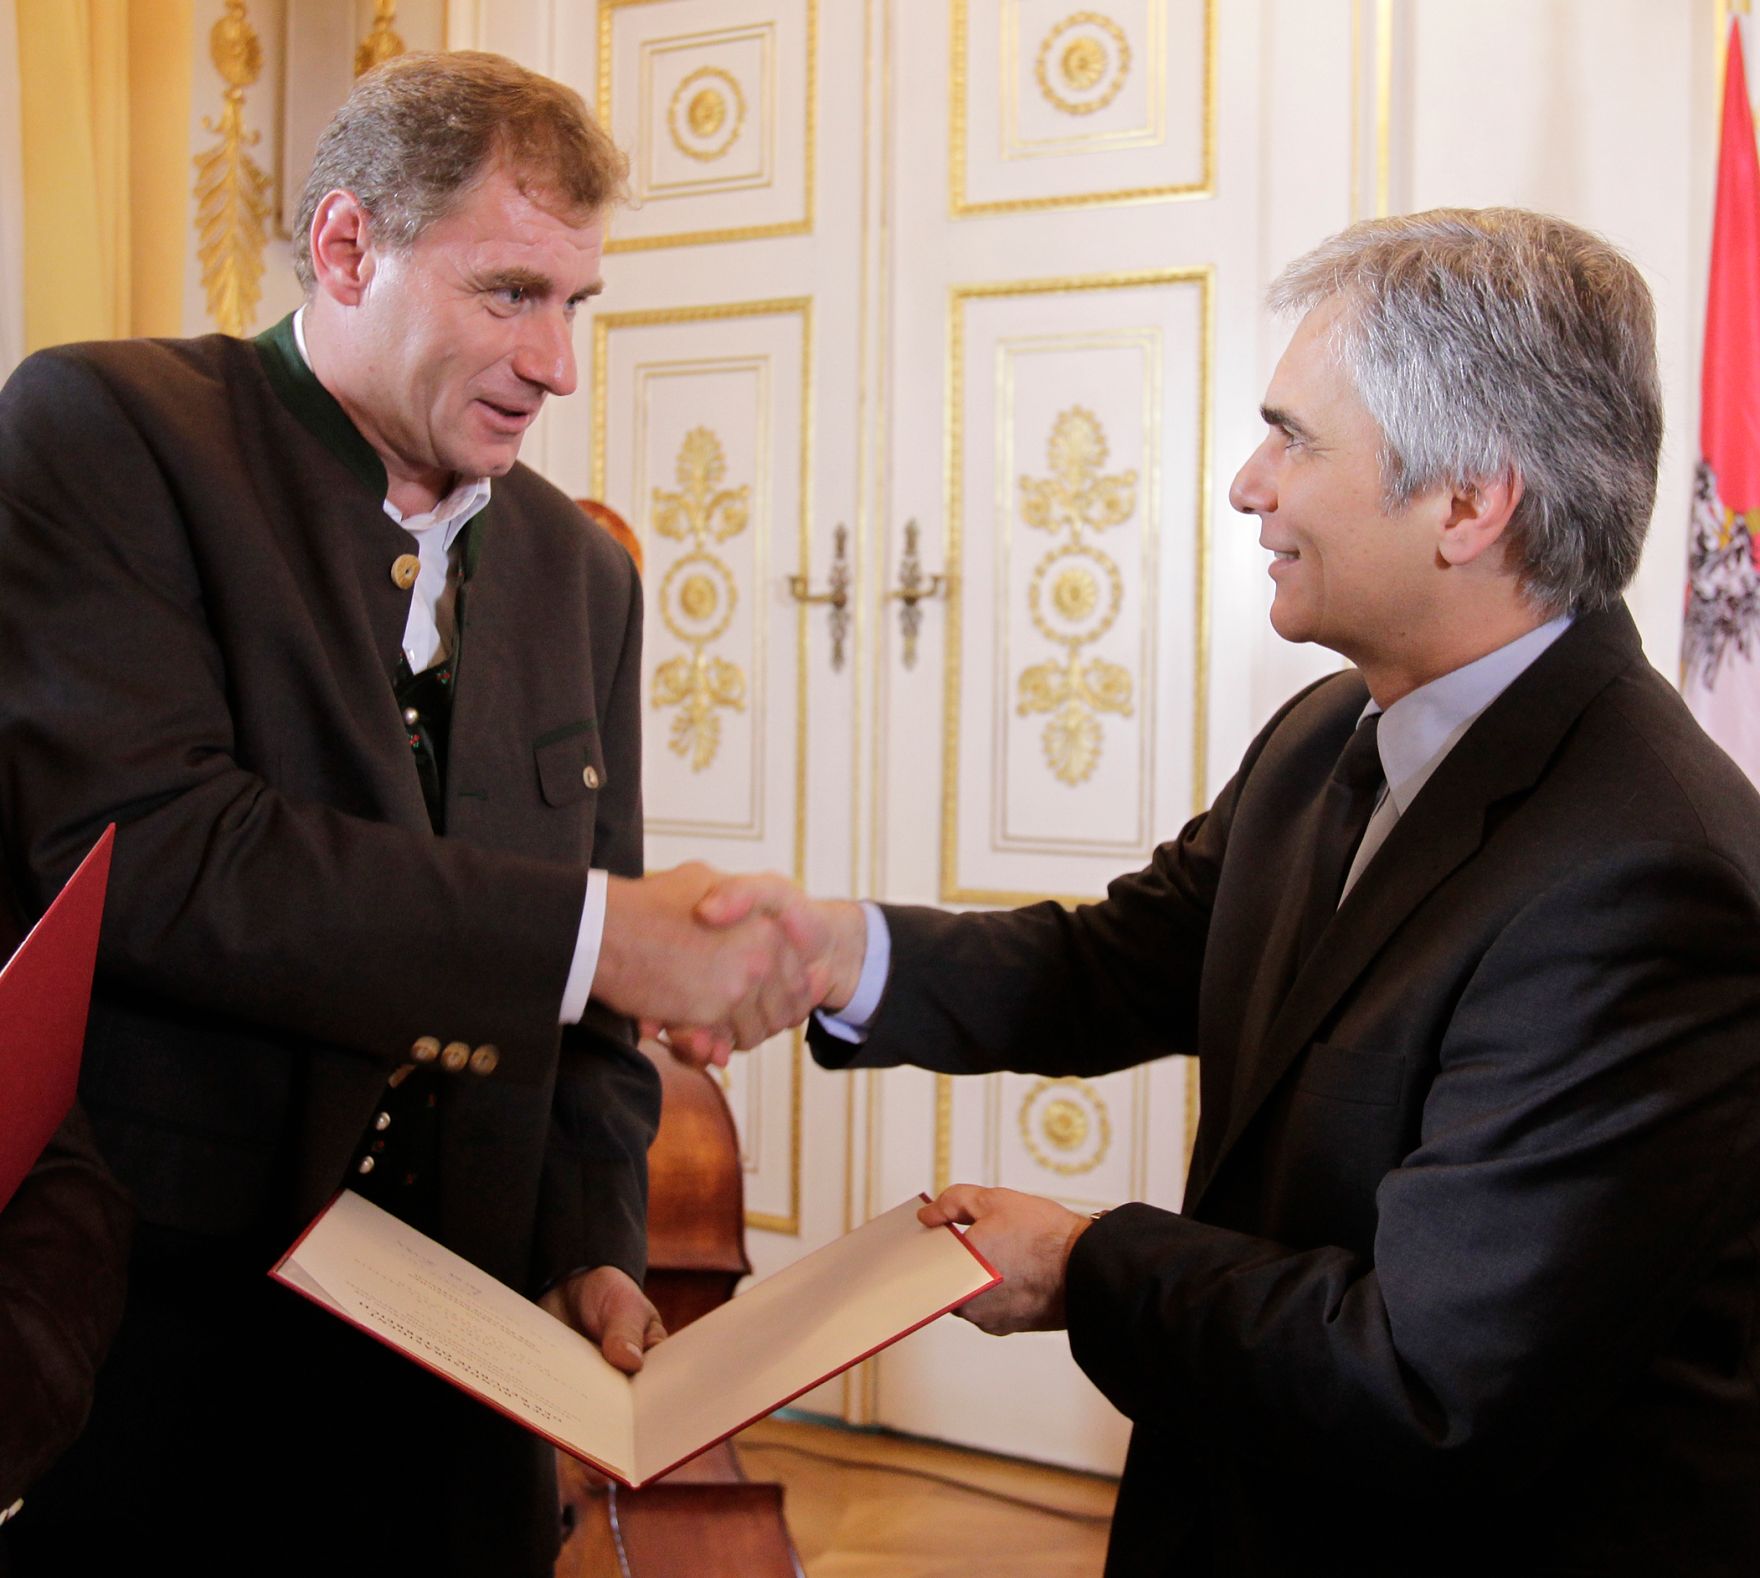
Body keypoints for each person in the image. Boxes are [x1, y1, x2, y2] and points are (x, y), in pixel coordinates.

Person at [693, 209, 1760, 1575]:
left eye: (1296, 436)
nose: (1251, 483)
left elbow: (1424, 1379)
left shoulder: (1643, 877)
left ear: (1469, 500)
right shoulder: (1327, 734)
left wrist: (1086, 1264)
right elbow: (1112, 968)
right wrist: (831, 953)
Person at [0, 51, 815, 1575]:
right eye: (512, 292)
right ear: (346, 245)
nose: (558, 363)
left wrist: (590, 1243)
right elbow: (161, 857)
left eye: (578, 304)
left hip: (468, 1394)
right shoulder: (109, 432)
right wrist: (596, 938)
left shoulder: (588, 575)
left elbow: (588, 1030)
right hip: (166, 1352)